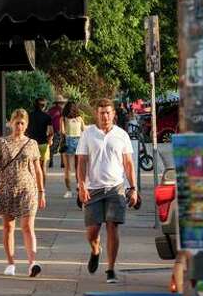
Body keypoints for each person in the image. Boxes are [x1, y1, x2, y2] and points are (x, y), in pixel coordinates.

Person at [76, 98, 139, 284]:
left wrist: (133, 188)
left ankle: (111, 269)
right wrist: (81, 185)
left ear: (114, 115)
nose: (105, 116)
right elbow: (81, 162)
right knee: (92, 231)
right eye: (101, 112)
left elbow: (128, 163)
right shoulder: (88, 134)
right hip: (93, 188)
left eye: (108, 112)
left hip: (115, 187)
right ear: (97, 114)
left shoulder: (122, 135)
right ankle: (96, 250)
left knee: (113, 226)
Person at [0, 108, 46, 277]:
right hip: (6, 188)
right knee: (8, 226)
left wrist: (42, 191)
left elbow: (37, 169)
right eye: (16, 123)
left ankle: (32, 263)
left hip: (28, 189)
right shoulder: (1, 143)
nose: (19, 126)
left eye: (22, 123)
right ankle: (11, 263)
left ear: (26, 125)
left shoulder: (32, 144)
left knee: (28, 227)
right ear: (11, 123)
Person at [60, 101, 85, 199]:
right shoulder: (79, 118)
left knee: (67, 169)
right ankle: (79, 185)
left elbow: (62, 131)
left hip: (68, 141)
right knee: (78, 167)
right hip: (79, 141)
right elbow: (84, 130)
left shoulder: (63, 119)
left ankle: (68, 191)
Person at [26, 97, 54, 165]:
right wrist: (50, 140)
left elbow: (25, 130)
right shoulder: (47, 117)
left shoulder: (28, 116)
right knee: (43, 167)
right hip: (43, 143)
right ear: (43, 106)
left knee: (32, 166)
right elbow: (51, 132)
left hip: (31, 144)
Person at [47, 99, 65, 168]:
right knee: (61, 146)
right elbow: (63, 120)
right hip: (59, 130)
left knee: (51, 146)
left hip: (52, 129)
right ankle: (62, 163)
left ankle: (51, 161)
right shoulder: (61, 110)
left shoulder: (50, 110)